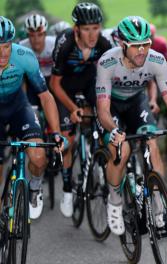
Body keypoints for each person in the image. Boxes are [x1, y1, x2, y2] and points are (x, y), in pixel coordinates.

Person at [96, 16, 167, 235]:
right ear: (122, 44)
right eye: (136, 46)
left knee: (152, 143)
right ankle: (115, 200)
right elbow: (103, 110)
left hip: (137, 102)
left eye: (146, 44)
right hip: (113, 107)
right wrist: (114, 130)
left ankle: (158, 204)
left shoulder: (156, 60)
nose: (142, 51)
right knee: (122, 149)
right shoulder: (107, 62)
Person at [0, 16, 66, 220]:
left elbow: (45, 96)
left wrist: (55, 133)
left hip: (19, 106)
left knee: (38, 157)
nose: (2, 53)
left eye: (6, 46)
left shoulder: (24, 56)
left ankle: (35, 187)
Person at [50, 2, 111, 218]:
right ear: (77, 29)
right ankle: (67, 189)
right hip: (64, 88)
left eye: (96, 27)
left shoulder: (103, 43)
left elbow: (110, 75)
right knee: (68, 138)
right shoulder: (64, 43)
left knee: (105, 119)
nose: (92, 34)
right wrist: (73, 108)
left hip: (88, 83)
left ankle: (102, 162)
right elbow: (54, 85)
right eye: (86, 29)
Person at [19, 14, 56, 107]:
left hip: (52, 80)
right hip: (32, 82)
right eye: (32, 35)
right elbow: (21, 78)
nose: (36, 39)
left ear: (45, 34)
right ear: (27, 36)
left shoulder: (54, 44)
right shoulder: (21, 48)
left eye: (40, 35)